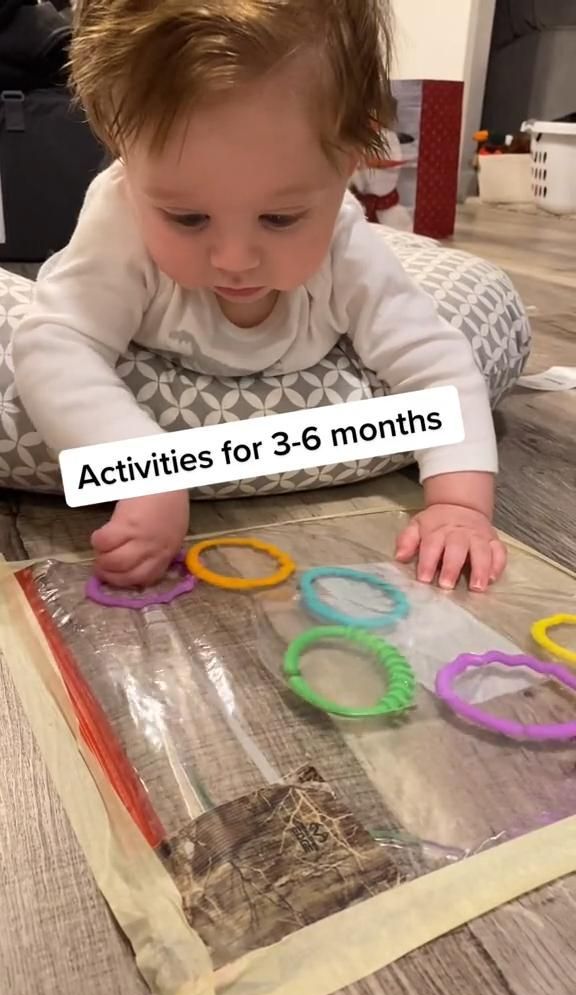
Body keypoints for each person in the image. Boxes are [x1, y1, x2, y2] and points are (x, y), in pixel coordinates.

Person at [12, 0, 507, 593]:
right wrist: (142, 471)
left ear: (350, 163)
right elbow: (53, 344)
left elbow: (437, 363)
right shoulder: (119, 216)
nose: (234, 258)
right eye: (188, 218)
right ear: (123, 151)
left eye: (279, 217)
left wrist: (460, 506)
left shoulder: (347, 244)